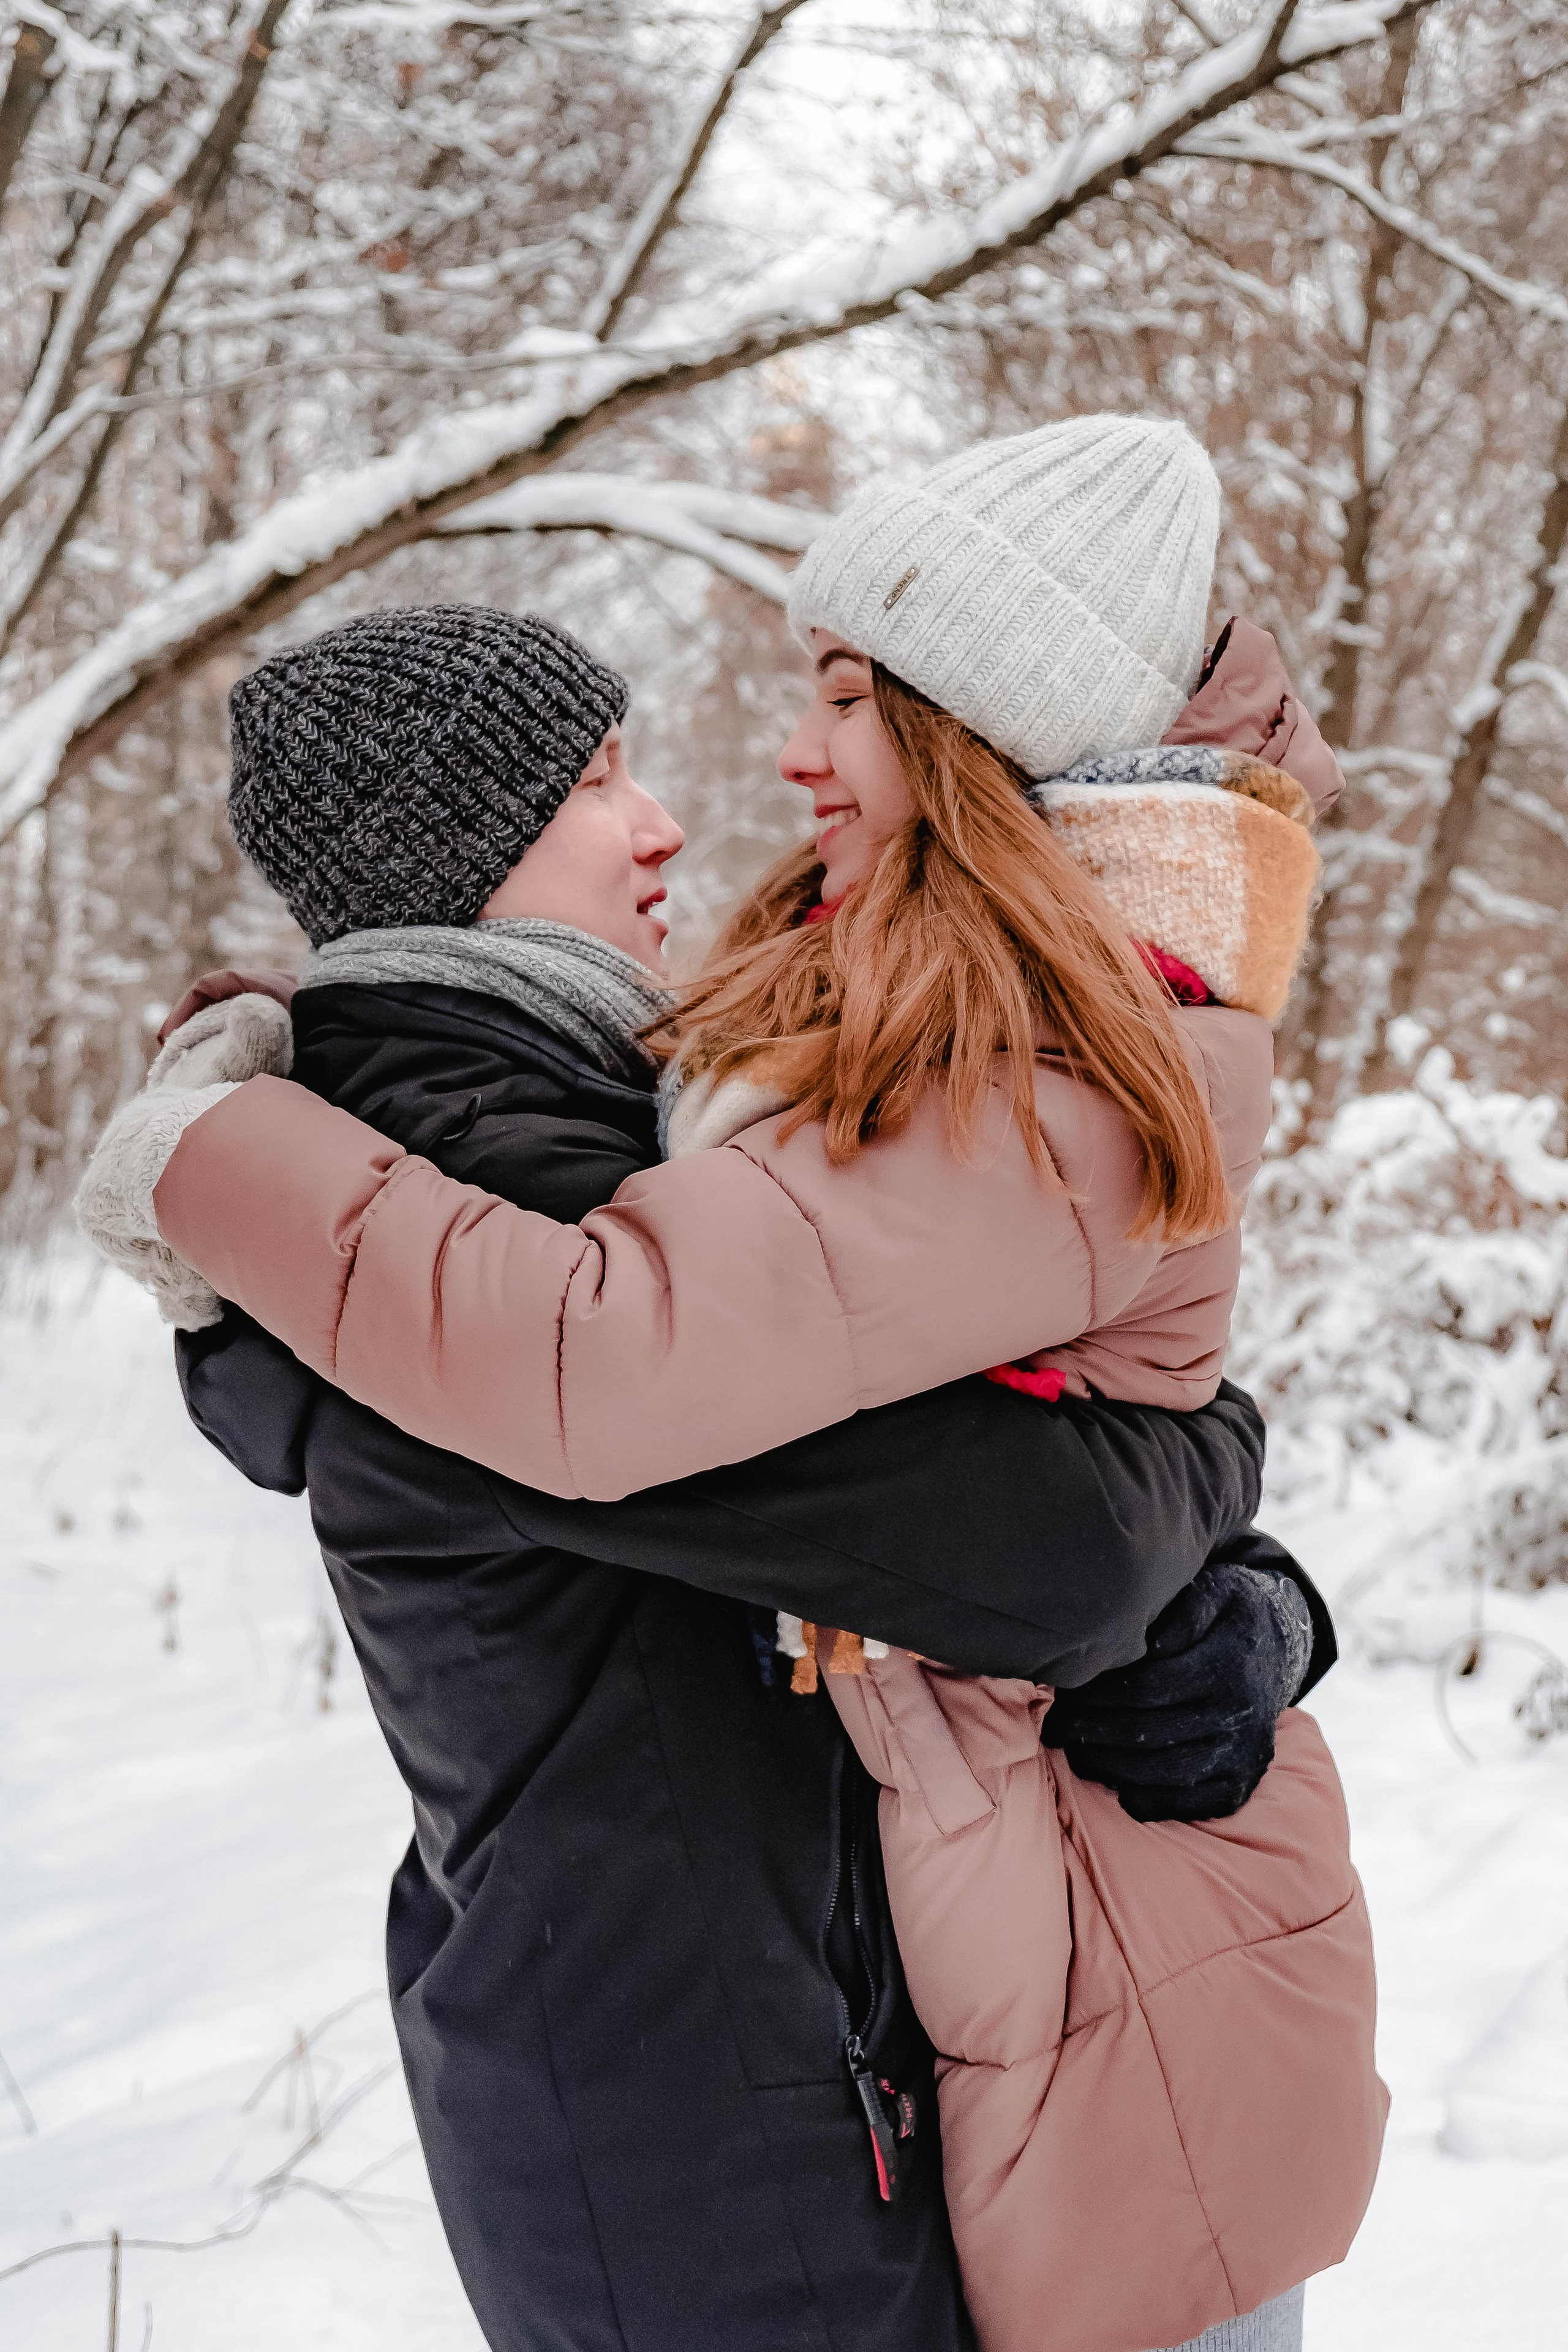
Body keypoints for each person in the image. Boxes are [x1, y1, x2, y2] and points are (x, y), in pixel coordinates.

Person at [75, 424, 1365, 2352]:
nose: (692, 813)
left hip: (889, 2068)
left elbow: (989, 1452)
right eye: (602, 785)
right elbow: (1037, 1545)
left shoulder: (627, 1119)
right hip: (720, 2151)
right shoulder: (485, 1183)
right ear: (464, 853)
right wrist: (213, 1147)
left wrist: (1238, 1555)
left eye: (836, 699)